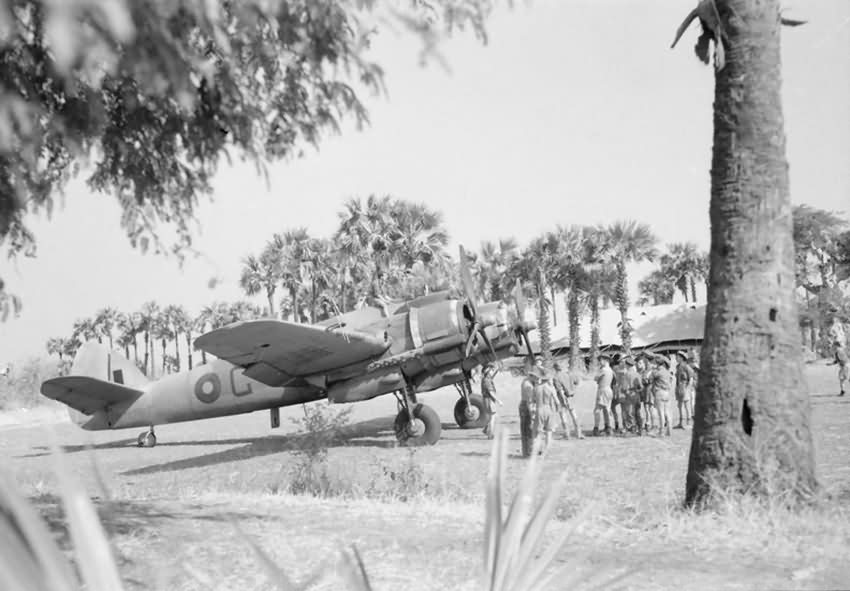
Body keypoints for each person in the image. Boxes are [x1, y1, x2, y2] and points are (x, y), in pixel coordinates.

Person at [553, 361, 583, 439]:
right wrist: (572, 389)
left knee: (563, 416)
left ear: (555, 368)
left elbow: (560, 391)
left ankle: (567, 434)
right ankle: (579, 433)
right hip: (571, 397)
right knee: (574, 414)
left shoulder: (556, 377)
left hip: (562, 398)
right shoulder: (569, 374)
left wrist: (563, 400)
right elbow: (577, 382)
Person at [531, 367, 558, 453]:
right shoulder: (551, 388)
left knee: (538, 432)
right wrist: (556, 411)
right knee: (548, 432)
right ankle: (546, 450)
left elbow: (533, 401)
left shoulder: (536, 388)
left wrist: (532, 412)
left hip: (539, 409)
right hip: (549, 409)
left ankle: (537, 449)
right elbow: (557, 402)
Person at [650, 355, 673, 437]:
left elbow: (650, 379)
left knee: (661, 413)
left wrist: (652, 370)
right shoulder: (667, 371)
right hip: (667, 392)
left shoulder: (657, 372)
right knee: (667, 412)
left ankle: (661, 431)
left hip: (659, 392)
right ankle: (669, 430)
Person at [593, 354, 614, 436]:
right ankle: (608, 427)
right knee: (607, 409)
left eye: (601, 360)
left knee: (597, 410)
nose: (600, 362)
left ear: (606, 360)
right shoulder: (611, 370)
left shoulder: (603, 370)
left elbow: (595, 378)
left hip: (602, 390)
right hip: (609, 389)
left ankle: (596, 428)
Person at [621, 357, 642, 435]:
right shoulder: (637, 374)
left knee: (629, 412)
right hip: (637, 394)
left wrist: (624, 391)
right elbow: (641, 387)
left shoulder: (626, 374)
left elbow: (624, 387)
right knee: (637, 412)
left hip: (629, 394)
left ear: (627, 365)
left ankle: (632, 428)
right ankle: (639, 428)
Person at [480, 362, 502, 438]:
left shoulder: (486, 379)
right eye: (491, 370)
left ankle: (486, 430)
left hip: (487, 400)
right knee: (492, 417)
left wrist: (497, 369)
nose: (492, 371)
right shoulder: (487, 380)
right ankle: (490, 434)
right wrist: (498, 401)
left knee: (492, 416)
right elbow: (491, 392)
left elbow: (492, 376)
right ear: (487, 371)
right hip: (489, 400)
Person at [519, 361, 535, 457]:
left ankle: (527, 451)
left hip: (524, 406)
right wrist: (532, 414)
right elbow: (529, 401)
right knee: (528, 429)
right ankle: (528, 452)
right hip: (526, 407)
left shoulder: (526, 381)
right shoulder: (528, 385)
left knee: (526, 429)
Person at [674, 351, 694, 429]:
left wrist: (688, 388)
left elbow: (691, 378)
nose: (676, 358)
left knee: (686, 406)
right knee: (680, 406)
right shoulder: (678, 367)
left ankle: (688, 423)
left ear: (682, 358)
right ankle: (681, 422)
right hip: (679, 387)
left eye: (677, 357)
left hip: (685, 387)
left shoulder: (686, 366)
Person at [637, 356, 654, 433]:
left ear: (644, 364)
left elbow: (648, 382)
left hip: (647, 392)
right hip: (641, 392)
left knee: (648, 408)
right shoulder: (639, 372)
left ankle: (649, 423)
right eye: (638, 363)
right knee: (642, 408)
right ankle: (644, 423)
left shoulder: (647, 372)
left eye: (640, 363)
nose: (638, 364)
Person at [610, 353, 625, 432]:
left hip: (615, 389)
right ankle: (624, 425)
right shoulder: (622, 368)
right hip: (622, 390)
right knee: (623, 408)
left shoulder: (613, 368)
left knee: (612, 407)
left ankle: (616, 423)